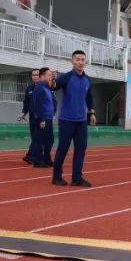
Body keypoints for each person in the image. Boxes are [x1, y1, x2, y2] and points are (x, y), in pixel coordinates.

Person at [50, 50, 97, 187]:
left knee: (81, 149)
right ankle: (56, 177)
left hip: (81, 121)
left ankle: (77, 178)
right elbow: (55, 86)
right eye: (78, 59)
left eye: (83, 60)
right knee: (63, 149)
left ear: (85, 62)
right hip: (66, 120)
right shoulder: (67, 77)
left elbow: (89, 97)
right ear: (72, 61)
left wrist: (92, 113)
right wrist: (52, 80)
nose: (80, 62)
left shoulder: (87, 80)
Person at [29, 68, 55, 168]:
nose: (50, 77)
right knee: (39, 140)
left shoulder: (47, 88)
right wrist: (41, 119)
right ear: (42, 76)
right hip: (42, 119)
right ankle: (37, 161)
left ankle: (47, 159)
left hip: (48, 118)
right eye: (49, 75)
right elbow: (38, 105)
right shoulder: (40, 88)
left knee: (49, 140)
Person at [19, 68, 40, 164]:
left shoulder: (45, 87)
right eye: (33, 75)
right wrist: (23, 113)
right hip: (32, 117)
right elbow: (26, 102)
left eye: (37, 75)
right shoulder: (29, 88)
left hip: (42, 117)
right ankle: (36, 156)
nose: (35, 76)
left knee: (37, 137)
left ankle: (30, 156)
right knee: (35, 137)